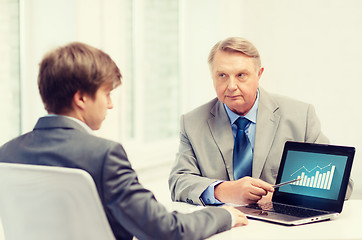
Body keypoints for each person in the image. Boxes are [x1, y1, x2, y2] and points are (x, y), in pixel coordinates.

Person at [0, 42, 248, 240]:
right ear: (81, 99)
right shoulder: (104, 155)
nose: (110, 104)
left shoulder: (7, 153)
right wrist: (221, 215)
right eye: (106, 94)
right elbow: (165, 230)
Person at [168, 37, 353, 206]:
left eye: (241, 75)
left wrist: (282, 196)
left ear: (259, 74)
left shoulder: (300, 116)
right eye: (222, 75)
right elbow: (179, 182)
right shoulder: (192, 123)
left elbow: (341, 185)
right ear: (212, 77)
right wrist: (223, 190)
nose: (231, 86)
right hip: (223, 226)